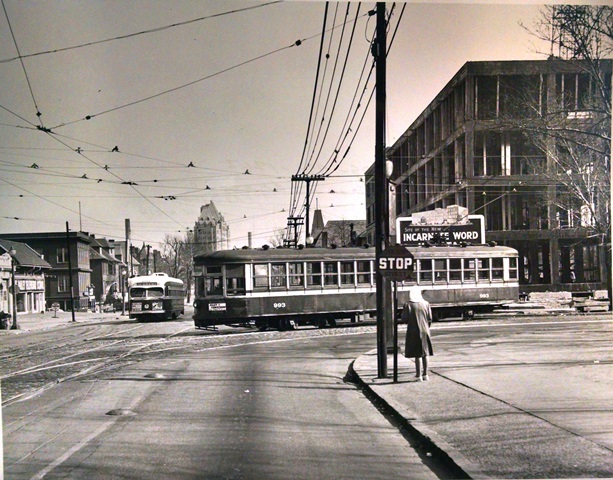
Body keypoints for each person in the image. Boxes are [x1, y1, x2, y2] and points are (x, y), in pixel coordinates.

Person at [402, 286, 434, 381]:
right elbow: (430, 318)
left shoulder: (408, 305)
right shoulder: (426, 304)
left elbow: (404, 319)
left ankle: (418, 375)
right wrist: (426, 326)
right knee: (425, 353)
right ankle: (425, 374)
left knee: (417, 354)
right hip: (425, 330)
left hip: (413, 331)